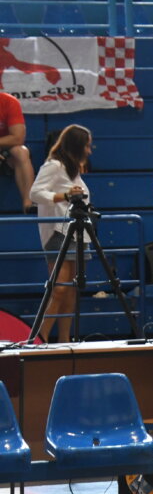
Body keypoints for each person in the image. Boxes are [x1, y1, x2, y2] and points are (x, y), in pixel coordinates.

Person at [28, 125, 92, 343]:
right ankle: (40, 337)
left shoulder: (73, 170)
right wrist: (63, 195)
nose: (89, 151)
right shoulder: (54, 165)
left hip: (77, 233)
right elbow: (35, 193)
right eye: (86, 146)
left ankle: (65, 338)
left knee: (72, 289)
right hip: (59, 231)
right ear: (76, 146)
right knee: (59, 288)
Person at [0, 92, 35, 213]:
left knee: (21, 152)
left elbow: (18, 138)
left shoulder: (9, 102)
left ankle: (28, 204)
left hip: (5, 151)